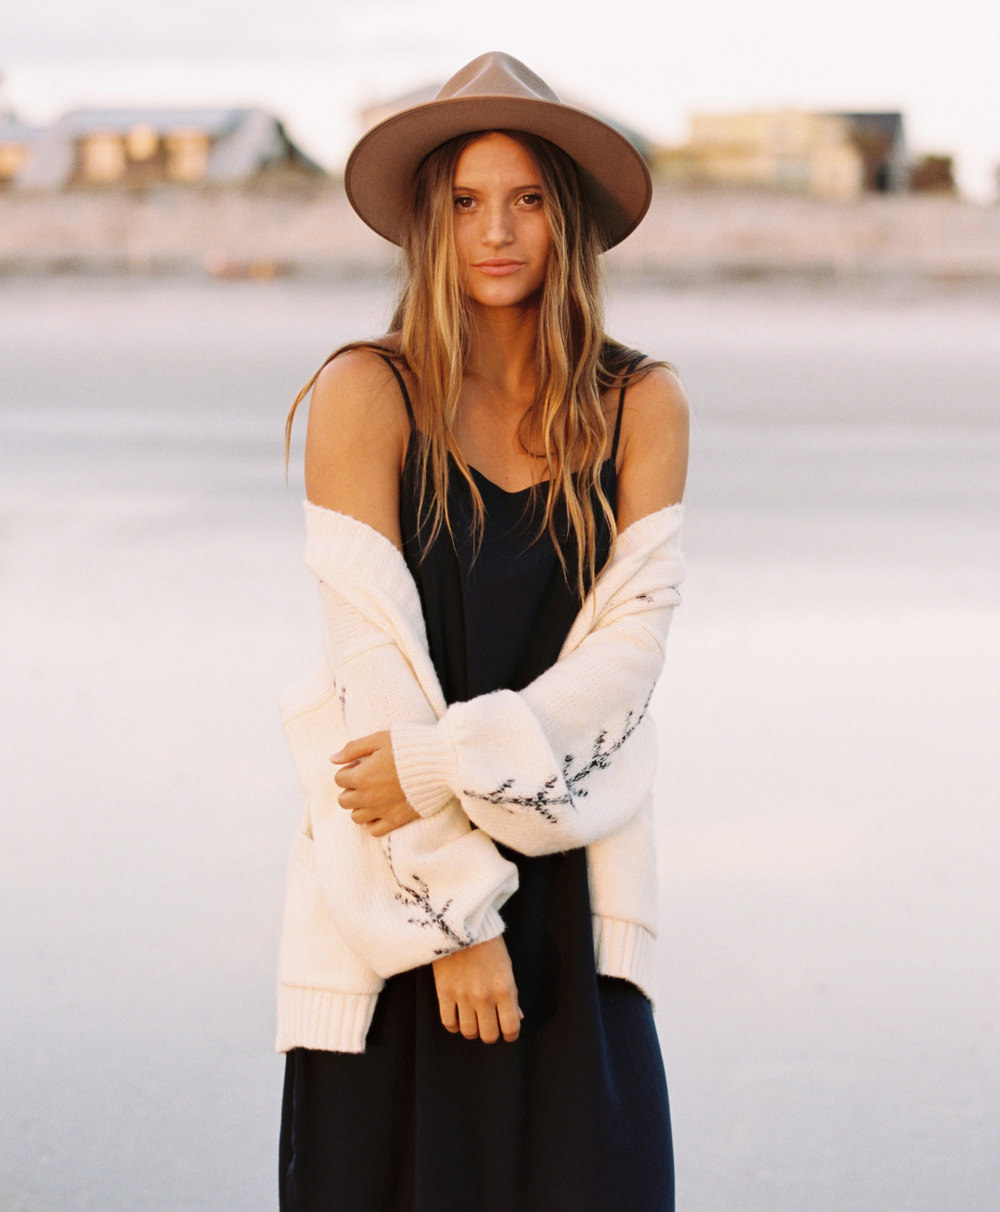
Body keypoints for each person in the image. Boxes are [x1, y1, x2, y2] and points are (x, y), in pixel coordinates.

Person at [276, 51, 689, 1212]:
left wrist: (442, 763)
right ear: (427, 221)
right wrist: (452, 920)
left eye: (524, 201)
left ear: (567, 220)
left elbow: (626, 663)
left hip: (571, 876)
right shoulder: (370, 391)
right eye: (463, 201)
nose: (494, 232)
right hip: (400, 888)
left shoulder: (638, 403)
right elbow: (372, 674)